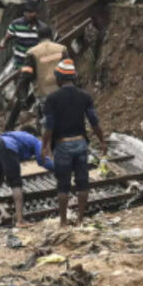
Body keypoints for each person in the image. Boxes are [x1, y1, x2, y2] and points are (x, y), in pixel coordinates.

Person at [41, 59, 107, 227]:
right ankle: (80, 219)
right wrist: (102, 141)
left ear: (59, 78)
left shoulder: (52, 99)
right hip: (81, 143)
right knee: (82, 182)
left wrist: (44, 146)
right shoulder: (84, 96)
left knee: (63, 185)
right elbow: (94, 121)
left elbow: (49, 126)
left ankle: (63, 221)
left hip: (63, 144)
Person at [0, 128, 54, 227]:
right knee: (16, 183)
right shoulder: (36, 141)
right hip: (6, 146)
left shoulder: (17, 135)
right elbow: (42, 160)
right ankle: (20, 221)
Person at [0, 0, 48, 131]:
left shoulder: (42, 28)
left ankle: (41, 126)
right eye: (26, 12)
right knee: (21, 98)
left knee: (40, 96)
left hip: (37, 66)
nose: (28, 14)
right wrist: (3, 42)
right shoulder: (16, 25)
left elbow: (46, 46)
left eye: (31, 12)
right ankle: (9, 127)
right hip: (21, 66)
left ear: (37, 13)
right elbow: (7, 37)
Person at [20, 25, 68, 131]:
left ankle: (48, 143)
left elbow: (26, 75)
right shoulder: (61, 49)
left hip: (43, 92)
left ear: (38, 37)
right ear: (51, 35)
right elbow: (69, 70)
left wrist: (23, 95)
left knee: (47, 121)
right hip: (61, 90)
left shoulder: (32, 52)